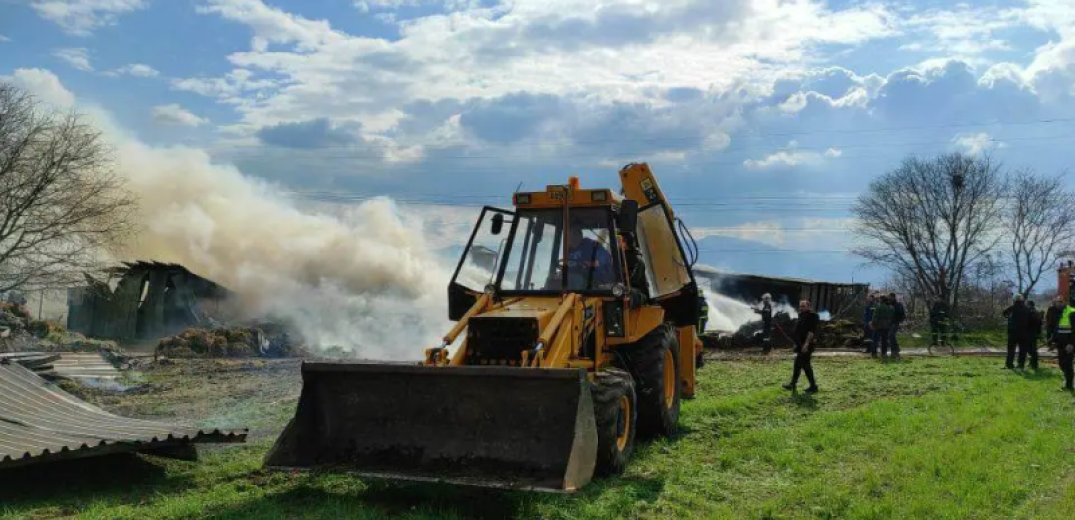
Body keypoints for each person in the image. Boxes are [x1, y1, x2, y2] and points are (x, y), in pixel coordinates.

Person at [783, 300, 820, 393]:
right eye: (800, 306)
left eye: (803, 306)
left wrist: (806, 344)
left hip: (807, 345)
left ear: (808, 306)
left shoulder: (813, 316)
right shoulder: (801, 315)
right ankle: (805, 385)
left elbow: (811, 331)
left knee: (802, 364)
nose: (801, 308)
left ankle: (811, 386)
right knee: (801, 365)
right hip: (800, 344)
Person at [565, 224, 614, 288]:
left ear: (578, 235)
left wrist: (587, 264)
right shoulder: (570, 250)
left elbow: (605, 258)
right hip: (579, 282)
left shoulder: (591, 245)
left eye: (570, 236)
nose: (568, 239)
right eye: (567, 237)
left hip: (599, 283)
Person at [1002, 294, 1033, 370]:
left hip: (1013, 332)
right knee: (1023, 350)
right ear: (1022, 300)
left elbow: (1004, 313)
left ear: (1014, 300)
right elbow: (1031, 320)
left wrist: (1009, 318)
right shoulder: (1027, 309)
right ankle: (1021, 364)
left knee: (1011, 349)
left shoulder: (1011, 308)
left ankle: (1009, 364)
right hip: (1024, 333)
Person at [1052, 297, 1075, 391]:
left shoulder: (1072, 312)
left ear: (1066, 302)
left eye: (1061, 302)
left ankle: (1069, 385)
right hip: (1060, 343)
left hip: (1069, 344)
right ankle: (1067, 380)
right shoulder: (1059, 312)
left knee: (1068, 364)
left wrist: (1071, 344)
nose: (1058, 304)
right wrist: (1053, 340)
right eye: (1057, 302)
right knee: (1061, 364)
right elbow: (1057, 329)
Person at [871, 295, 894, 360]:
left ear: (881, 300)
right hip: (887, 326)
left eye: (879, 299)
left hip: (878, 326)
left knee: (875, 340)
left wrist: (872, 324)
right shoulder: (890, 308)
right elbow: (892, 317)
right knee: (884, 341)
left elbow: (875, 317)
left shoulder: (879, 307)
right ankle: (884, 354)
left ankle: (874, 354)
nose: (878, 300)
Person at [1023, 300, 1041, 370]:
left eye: (1026, 304)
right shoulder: (1037, 312)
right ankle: (1033, 363)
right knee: (1033, 349)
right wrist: (1039, 334)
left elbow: (1026, 323)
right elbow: (1040, 324)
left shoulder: (1029, 312)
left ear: (1029, 304)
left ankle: (1034, 364)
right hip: (1035, 333)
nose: (1025, 305)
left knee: (1029, 349)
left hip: (1028, 333)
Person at [888, 292, 906, 360]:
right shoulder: (889, 304)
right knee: (891, 336)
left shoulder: (898, 304)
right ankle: (896, 349)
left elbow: (902, 313)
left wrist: (900, 320)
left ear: (893, 297)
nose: (889, 298)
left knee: (891, 335)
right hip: (890, 322)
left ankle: (894, 351)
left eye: (890, 297)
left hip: (895, 322)